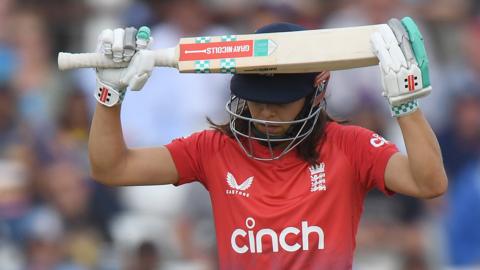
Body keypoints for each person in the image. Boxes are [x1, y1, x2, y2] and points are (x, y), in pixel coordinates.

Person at [88, 19, 447, 269]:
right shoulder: (214, 148)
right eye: (256, 99)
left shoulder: (349, 146)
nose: (264, 113)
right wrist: (109, 97)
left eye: (279, 103)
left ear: (316, 90)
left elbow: (430, 183)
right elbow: (111, 168)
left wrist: (407, 108)